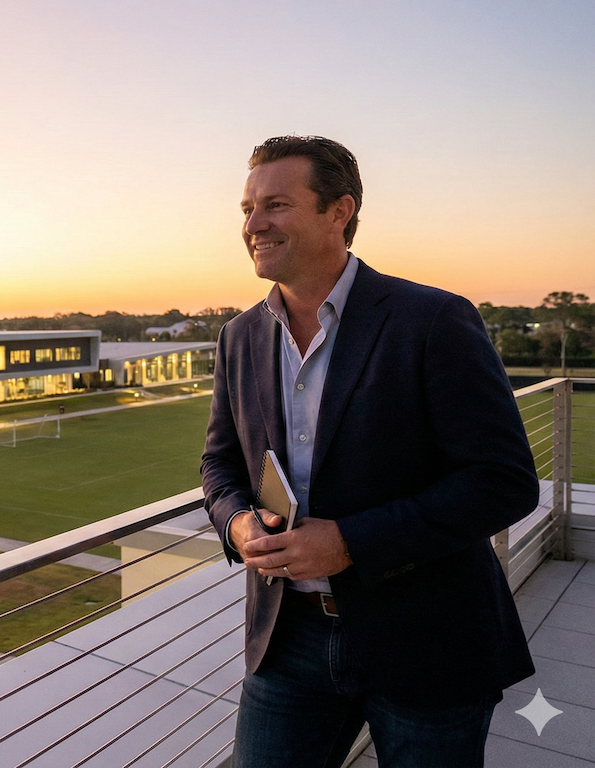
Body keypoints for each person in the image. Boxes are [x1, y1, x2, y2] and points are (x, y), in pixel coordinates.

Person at [201, 135, 537, 767]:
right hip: (287, 639)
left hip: (425, 637)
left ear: (339, 212)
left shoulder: (432, 319)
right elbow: (219, 463)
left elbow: (504, 480)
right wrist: (238, 524)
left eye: (275, 205)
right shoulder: (239, 336)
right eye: (247, 208)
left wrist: (350, 541)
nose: (253, 225)